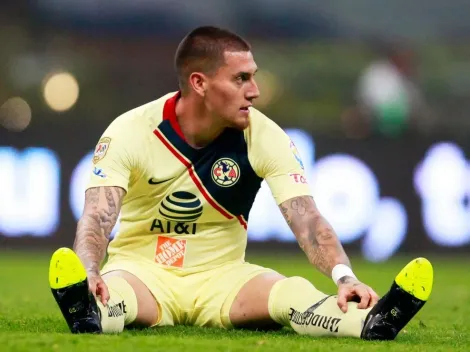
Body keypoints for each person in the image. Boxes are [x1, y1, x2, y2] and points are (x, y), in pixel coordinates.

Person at [49, 26, 433, 339]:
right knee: (116, 297)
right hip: (144, 273)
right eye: (241, 78)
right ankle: (87, 308)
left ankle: (373, 322)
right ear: (199, 83)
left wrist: (344, 276)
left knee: (291, 293)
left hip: (224, 279)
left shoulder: (265, 136)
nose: (255, 90)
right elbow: (99, 215)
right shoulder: (131, 130)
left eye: (254, 77)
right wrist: (90, 269)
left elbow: (309, 222)